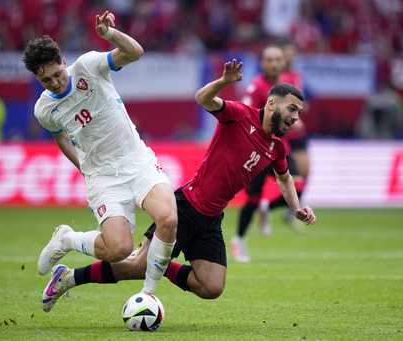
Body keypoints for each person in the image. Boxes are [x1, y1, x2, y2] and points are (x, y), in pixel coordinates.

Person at [39, 59, 316, 310]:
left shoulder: (277, 148)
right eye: (292, 109)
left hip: (212, 218)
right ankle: (69, 278)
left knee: (211, 287)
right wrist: (223, 82)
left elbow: (285, 178)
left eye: (299, 112)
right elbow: (202, 98)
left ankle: (159, 261)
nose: (295, 117)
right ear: (271, 104)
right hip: (188, 205)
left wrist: (296, 207)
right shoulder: (240, 115)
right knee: (137, 264)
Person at [21, 11, 177, 312]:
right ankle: (66, 239)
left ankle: (148, 295)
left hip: (137, 161)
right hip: (103, 178)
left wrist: (110, 35)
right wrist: (85, 169)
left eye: (57, 74)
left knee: (168, 219)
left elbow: (135, 52)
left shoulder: (88, 66)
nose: (54, 82)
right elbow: (62, 138)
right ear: (37, 78)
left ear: (64, 62)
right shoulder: (44, 110)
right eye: (45, 79)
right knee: (119, 250)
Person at [231, 44, 286, 262]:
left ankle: (267, 207)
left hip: (281, 148)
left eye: (278, 59)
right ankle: (239, 240)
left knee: (297, 186)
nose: (274, 64)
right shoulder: (255, 88)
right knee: (252, 198)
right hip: (259, 151)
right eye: (270, 60)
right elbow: (244, 116)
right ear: (262, 63)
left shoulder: (286, 87)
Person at [258, 41, 310, 235]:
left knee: (301, 178)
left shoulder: (295, 77)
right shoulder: (264, 84)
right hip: (278, 136)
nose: (286, 58)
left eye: (289, 55)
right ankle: (276, 209)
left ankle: (284, 209)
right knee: (287, 177)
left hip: (296, 133)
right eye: (283, 55)